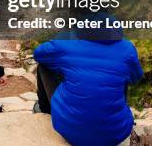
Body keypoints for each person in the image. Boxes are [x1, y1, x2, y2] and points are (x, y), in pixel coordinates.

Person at [33, 12, 143, 146]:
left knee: (44, 66)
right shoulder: (127, 48)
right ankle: (112, 114)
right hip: (115, 135)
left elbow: (38, 53)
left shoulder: (67, 43)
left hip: (71, 132)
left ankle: (44, 109)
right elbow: (135, 78)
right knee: (122, 76)